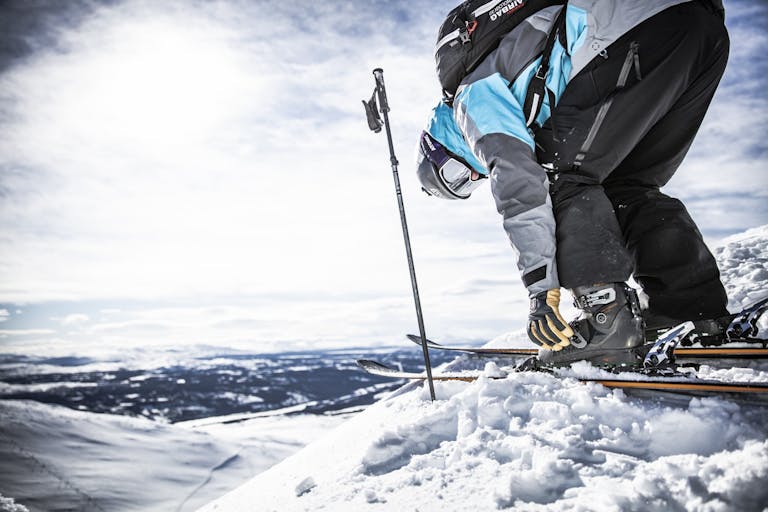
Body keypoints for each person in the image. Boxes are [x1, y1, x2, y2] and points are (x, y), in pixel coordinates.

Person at [416, 0, 731, 366]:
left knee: (557, 176)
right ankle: (692, 310)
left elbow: (520, 186)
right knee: (627, 187)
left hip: (631, 30)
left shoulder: (468, 100)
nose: (474, 176)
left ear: (440, 145)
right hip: (698, 29)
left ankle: (605, 319)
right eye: (464, 187)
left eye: (454, 175)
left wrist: (540, 288)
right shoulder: (505, 70)